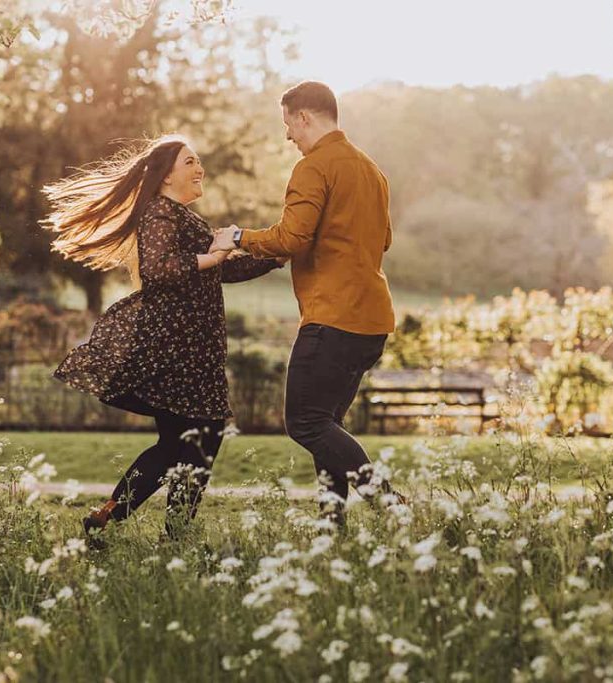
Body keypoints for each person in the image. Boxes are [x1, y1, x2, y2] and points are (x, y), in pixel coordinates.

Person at [41, 135, 283, 544]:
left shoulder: (181, 216)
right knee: (203, 435)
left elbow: (218, 272)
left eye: (198, 160)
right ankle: (176, 533)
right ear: (167, 175)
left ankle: (109, 515)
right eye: (190, 161)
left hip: (193, 346)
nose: (199, 167)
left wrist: (276, 255)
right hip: (179, 346)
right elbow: (158, 269)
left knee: (176, 441)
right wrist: (218, 254)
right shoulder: (158, 213)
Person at [209, 81, 406, 527]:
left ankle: (389, 504)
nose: (287, 137)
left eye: (288, 126)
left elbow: (294, 236)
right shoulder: (371, 170)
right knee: (327, 424)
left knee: (305, 423)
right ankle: (329, 526)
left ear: (304, 118)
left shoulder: (314, 167)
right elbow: (385, 239)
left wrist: (239, 237)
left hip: (332, 318)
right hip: (372, 321)